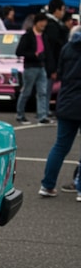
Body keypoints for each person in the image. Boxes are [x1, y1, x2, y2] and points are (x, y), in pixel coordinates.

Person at [39, 27, 81, 199]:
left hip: (66, 101)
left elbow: (61, 73)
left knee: (60, 146)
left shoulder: (67, 47)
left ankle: (47, 185)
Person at [15, 12, 51, 125]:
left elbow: (48, 51)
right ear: (36, 23)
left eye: (44, 26)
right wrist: (33, 54)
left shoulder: (44, 36)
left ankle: (42, 115)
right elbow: (19, 52)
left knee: (42, 92)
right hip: (30, 67)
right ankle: (20, 114)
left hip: (41, 66)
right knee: (27, 91)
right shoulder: (27, 36)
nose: (43, 27)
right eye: (41, 25)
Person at [44, 0, 69, 116]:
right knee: (46, 89)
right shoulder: (51, 26)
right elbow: (51, 49)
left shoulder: (54, 24)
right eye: (62, 10)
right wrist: (53, 68)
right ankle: (43, 111)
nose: (63, 13)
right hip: (53, 63)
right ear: (56, 10)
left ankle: (45, 110)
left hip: (56, 63)